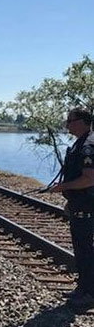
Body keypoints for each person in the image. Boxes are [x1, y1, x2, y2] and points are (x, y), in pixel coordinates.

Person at [50, 108, 94, 309]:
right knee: (81, 248)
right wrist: (70, 199)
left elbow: (89, 179)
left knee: (85, 249)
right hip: (81, 204)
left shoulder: (87, 146)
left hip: (87, 207)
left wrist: (63, 187)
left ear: (83, 122)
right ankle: (83, 287)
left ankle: (89, 293)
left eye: (71, 120)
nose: (67, 124)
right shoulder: (81, 142)